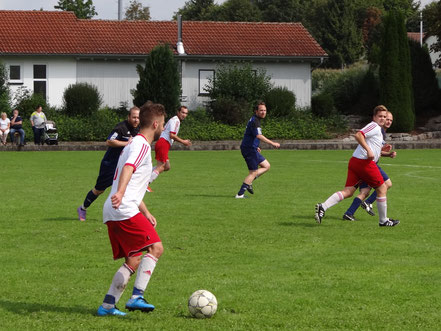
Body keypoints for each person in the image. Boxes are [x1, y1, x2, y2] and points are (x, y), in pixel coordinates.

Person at [97, 101, 166, 317]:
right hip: (122, 207)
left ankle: (107, 306)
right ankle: (137, 296)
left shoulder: (132, 143)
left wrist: (145, 212)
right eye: (163, 123)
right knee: (156, 248)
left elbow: (135, 183)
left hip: (115, 208)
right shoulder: (142, 145)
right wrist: (120, 192)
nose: (163, 128)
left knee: (134, 259)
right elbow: (129, 168)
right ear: (155, 124)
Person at [314, 105, 399, 227]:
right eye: (380, 116)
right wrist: (369, 150)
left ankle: (323, 206)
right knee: (382, 188)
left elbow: (373, 147)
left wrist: (382, 151)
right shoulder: (374, 126)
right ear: (374, 117)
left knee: (348, 192)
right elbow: (358, 135)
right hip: (364, 163)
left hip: (356, 161)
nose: (383, 119)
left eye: (384, 117)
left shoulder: (379, 131)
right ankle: (383, 221)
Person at [77, 107, 140, 221]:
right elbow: (109, 141)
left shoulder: (138, 130)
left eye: (138, 117)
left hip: (124, 166)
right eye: (134, 117)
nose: (136, 120)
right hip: (110, 164)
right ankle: (82, 208)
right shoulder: (121, 127)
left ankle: (130, 215)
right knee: (99, 190)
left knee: (128, 188)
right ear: (129, 117)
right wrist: (126, 143)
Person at [342, 111, 397, 221]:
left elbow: (376, 151)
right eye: (387, 119)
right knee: (386, 184)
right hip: (368, 164)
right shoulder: (377, 129)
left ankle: (349, 212)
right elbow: (364, 141)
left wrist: (388, 153)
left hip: (368, 163)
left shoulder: (382, 132)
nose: (388, 121)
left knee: (364, 192)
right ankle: (368, 204)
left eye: (390, 120)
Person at [235, 101, 280, 198]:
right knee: (253, 172)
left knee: (266, 166)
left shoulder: (255, 120)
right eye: (261, 110)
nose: (263, 112)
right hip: (249, 149)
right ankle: (240, 194)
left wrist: (256, 146)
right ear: (256, 111)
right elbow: (258, 135)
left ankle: (249, 182)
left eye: (265, 110)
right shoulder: (255, 121)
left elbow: (251, 135)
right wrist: (272, 143)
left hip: (252, 148)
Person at [148, 105, 192, 189]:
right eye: (182, 112)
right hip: (163, 143)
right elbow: (172, 135)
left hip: (163, 144)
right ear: (178, 112)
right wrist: (183, 141)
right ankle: (146, 182)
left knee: (166, 167)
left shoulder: (175, 120)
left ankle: (145, 175)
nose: (184, 115)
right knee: (161, 167)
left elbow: (171, 135)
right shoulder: (176, 120)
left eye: (186, 113)